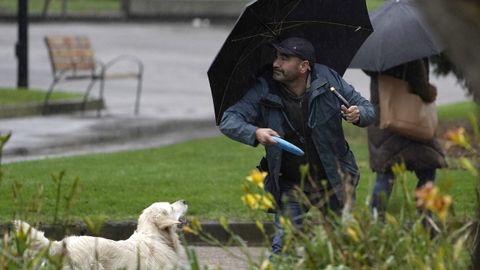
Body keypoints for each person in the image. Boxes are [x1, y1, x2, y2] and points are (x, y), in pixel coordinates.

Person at [219, 37, 375, 254]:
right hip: (289, 182)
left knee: (346, 244)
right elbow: (229, 120)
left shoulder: (328, 79)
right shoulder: (264, 87)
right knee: (285, 244)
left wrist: (358, 113)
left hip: (334, 178)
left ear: (304, 66)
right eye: (276, 57)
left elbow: (369, 110)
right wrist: (255, 132)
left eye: (284, 58)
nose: (276, 63)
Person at [365, 59, 447, 216]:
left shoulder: (376, 58)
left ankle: (375, 222)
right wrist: (431, 92)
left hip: (384, 121)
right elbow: (421, 86)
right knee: (427, 172)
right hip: (413, 122)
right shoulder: (412, 53)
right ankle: (426, 222)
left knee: (385, 175)